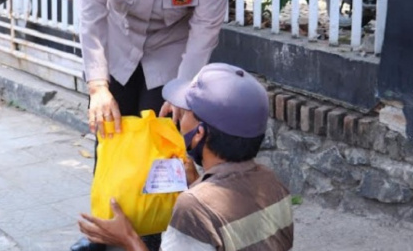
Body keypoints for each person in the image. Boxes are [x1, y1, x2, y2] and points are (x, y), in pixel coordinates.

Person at [73, 0, 227, 249]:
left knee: (164, 145)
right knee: (110, 139)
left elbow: (207, 27)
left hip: (170, 53)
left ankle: (156, 235)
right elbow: (91, 13)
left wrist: (184, 90)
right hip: (118, 45)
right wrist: (97, 86)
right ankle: (105, 232)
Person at [78, 63, 294, 250]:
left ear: (199, 133)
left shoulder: (192, 209)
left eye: (185, 111)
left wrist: (127, 237)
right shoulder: (274, 184)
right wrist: (197, 183)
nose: (178, 116)